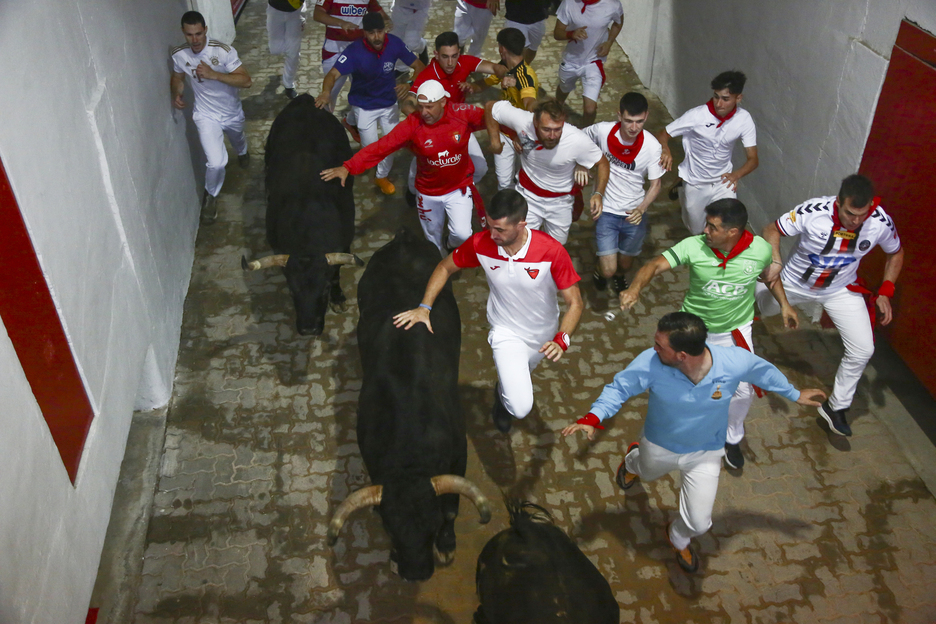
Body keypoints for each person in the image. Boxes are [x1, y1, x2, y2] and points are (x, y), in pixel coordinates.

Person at [562, 312, 824, 572]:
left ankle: (677, 537)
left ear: (682, 355)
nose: (653, 348)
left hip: (706, 452)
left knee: (699, 524)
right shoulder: (651, 363)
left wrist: (794, 393)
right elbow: (619, 389)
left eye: (659, 345)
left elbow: (762, 372)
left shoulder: (733, 361)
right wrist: (593, 417)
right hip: (659, 446)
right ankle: (632, 462)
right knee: (645, 471)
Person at [619, 199, 798, 469]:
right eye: (706, 224)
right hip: (693, 333)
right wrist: (635, 288)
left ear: (733, 232)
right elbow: (655, 264)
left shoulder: (760, 250)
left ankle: (731, 438)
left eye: (712, 227)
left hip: (735, 330)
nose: (705, 231)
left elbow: (769, 277)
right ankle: (656, 439)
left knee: (742, 392)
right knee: (676, 388)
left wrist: (784, 305)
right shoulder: (694, 246)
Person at [395, 189, 584, 433]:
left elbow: (575, 303)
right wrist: (424, 307)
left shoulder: (552, 251)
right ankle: (503, 402)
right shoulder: (481, 243)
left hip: (544, 335)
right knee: (521, 407)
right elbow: (444, 267)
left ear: (521, 224)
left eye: (501, 230)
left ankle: (503, 389)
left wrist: (562, 339)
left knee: (523, 372)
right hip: (506, 332)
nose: (492, 235)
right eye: (490, 226)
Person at [757, 174, 904, 437]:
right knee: (749, 307)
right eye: (850, 213)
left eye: (862, 214)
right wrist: (775, 262)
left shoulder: (880, 221)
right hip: (793, 283)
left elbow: (896, 251)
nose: (856, 221)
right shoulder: (813, 211)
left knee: (863, 349)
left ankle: (836, 408)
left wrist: (886, 290)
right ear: (838, 202)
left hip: (840, 290)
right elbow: (772, 229)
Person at [321, 80, 487, 254]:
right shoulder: (411, 125)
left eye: (429, 107)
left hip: (458, 189)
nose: (424, 112)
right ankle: (438, 262)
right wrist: (348, 167)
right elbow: (382, 147)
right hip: (428, 193)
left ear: (443, 102)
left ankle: (450, 245)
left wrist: (512, 133)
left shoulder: (462, 114)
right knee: (432, 240)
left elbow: (494, 118)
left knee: (462, 235)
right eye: (421, 106)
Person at [315, 13, 425, 195]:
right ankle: (351, 121)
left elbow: (419, 66)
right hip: (363, 106)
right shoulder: (353, 51)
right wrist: (326, 92)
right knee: (370, 148)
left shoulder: (395, 43)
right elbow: (333, 74)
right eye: (372, 32)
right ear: (364, 33)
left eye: (380, 31)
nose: (377, 37)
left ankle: (381, 176)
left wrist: (410, 84)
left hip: (389, 104)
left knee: (391, 145)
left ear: (385, 31)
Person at [486, 99, 609, 245]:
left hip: (561, 203)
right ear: (536, 123)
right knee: (523, 244)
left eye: (558, 129)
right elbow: (490, 107)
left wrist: (598, 194)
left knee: (556, 247)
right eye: (546, 129)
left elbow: (603, 163)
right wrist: (494, 140)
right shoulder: (523, 120)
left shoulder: (577, 139)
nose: (552, 136)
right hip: (528, 197)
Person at [402, 32, 505, 200]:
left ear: (459, 53)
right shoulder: (427, 75)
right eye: (445, 57)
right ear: (435, 54)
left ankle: (456, 189)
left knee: (480, 169)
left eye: (454, 56)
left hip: (459, 124)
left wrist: (505, 74)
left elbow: (495, 68)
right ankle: (413, 191)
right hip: (433, 129)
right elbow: (408, 104)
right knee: (424, 162)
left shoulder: (464, 62)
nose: (450, 63)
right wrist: (426, 121)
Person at [171, 11, 253, 222]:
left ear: (205, 30)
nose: (195, 40)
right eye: (189, 35)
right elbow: (178, 75)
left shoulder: (223, 52)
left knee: (237, 138)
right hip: (205, 115)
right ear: (183, 33)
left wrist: (214, 74)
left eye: (199, 33)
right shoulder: (180, 54)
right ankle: (211, 196)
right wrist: (176, 92)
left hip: (231, 112)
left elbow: (246, 81)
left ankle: (243, 151)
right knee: (216, 162)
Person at [580, 92, 663, 295]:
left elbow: (656, 184)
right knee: (609, 268)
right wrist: (581, 163)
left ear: (646, 116)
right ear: (619, 115)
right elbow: (578, 137)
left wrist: (641, 208)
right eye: (628, 121)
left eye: (639, 121)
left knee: (625, 265)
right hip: (606, 210)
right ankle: (602, 272)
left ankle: (619, 275)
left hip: (633, 212)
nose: (634, 127)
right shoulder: (602, 131)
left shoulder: (652, 146)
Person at [658, 70, 758, 235]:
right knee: (697, 230)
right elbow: (664, 133)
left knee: (725, 227)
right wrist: (665, 149)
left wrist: (736, 175)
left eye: (725, 99)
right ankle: (682, 183)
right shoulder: (696, 116)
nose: (719, 103)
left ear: (738, 98)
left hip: (723, 182)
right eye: (716, 96)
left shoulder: (744, 119)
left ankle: (718, 259)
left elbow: (753, 159)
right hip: (695, 181)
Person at [472, 27, 540, 190]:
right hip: (504, 132)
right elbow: (486, 83)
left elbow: (530, 102)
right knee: (504, 182)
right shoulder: (504, 67)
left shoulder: (526, 76)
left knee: (523, 179)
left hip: (522, 136)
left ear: (502, 49)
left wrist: (522, 134)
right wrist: (470, 86)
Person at [553, 0, 623, 128]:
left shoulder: (612, 5)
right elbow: (557, 32)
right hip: (570, 61)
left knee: (590, 109)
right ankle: (559, 105)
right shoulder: (568, 3)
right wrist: (571, 34)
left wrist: (609, 42)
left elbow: (618, 23)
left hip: (594, 61)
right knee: (564, 89)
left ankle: (585, 134)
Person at [313, 0, 392, 112]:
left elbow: (380, 13)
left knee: (363, 91)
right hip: (335, 50)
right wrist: (341, 23)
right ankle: (326, 123)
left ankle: (353, 122)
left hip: (359, 51)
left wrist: (387, 21)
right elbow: (317, 14)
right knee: (329, 93)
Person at [486, 0, 551, 64]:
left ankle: (523, 69)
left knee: (533, 48)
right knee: (515, 52)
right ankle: (512, 72)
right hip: (515, 17)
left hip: (538, 16)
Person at [266, 0, 304, 99]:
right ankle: (292, 52)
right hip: (275, 10)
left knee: (293, 53)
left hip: (296, 12)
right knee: (275, 49)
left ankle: (289, 85)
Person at [389, 0, 431, 72]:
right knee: (396, 40)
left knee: (411, 44)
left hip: (420, 9)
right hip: (400, 7)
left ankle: (422, 46)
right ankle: (401, 69)